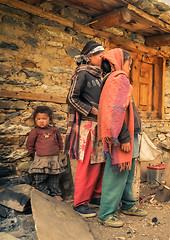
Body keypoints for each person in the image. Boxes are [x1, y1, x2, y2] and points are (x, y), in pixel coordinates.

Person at [97, 48, 147, 228]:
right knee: (116, 173)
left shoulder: (111, 79)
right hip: (120, 136)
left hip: (125, 134)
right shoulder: (119, 78)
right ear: (119, 63)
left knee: (128, 172)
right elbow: (114, 112)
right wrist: (124, 137)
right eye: (129, 65)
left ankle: (128, 205)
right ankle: (105, 214)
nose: (130, 69)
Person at [65, 41, 105, 217]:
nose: (103, 59)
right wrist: (90, 109)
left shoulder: (100, 75)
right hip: (87, 126)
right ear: (90, 57)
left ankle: (96, 196)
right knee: (86, 164)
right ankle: (79, 203)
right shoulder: (82, 73)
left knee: (99, 162)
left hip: (99, 125)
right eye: (100, 56)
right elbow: (71, 98)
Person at [26, 106, 64, 201]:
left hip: (54, 159)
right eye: (38, 119)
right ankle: (44, 195)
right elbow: (29, 144)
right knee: (40, 178)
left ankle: (56, 193)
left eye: (44, 119)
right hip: (41, 160)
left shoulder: (54, 130)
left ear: (50, 119)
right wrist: (33, 153)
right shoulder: (35, 132)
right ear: (35, 120)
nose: (41, 121)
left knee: (54, 178)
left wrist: (60, 150)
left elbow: (60, 141)